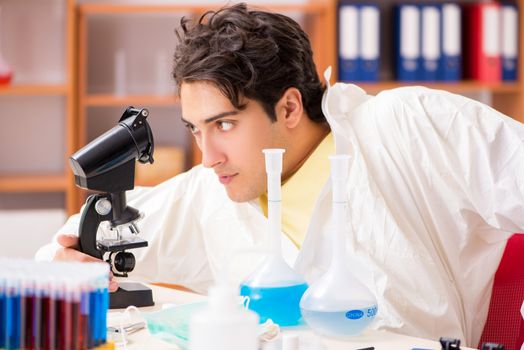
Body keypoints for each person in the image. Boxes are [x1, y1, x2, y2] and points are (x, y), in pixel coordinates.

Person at [35, 3, 524, 347]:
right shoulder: (211, 193)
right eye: (195, 130)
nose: (207, 156)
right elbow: (69, 249)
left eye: (224, 124)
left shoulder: (408, 128)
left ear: (289, 106)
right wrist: (64, 268)